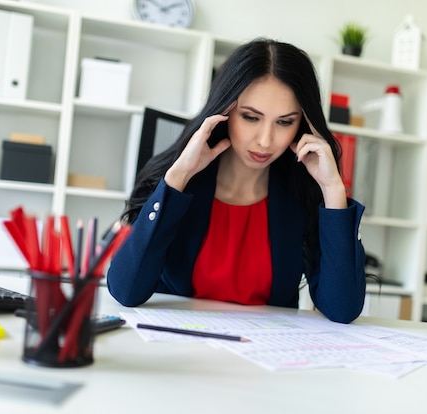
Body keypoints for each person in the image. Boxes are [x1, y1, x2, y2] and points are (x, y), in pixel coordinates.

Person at [107, 38, 366, 324]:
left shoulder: (301, 193)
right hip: (178, 351)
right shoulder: (180, 183)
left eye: (284, 122)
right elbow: (126, 290)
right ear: (225, 111)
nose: (266, 141)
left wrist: (332, 190)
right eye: (251, 117)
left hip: (266, 354)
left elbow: (343, 309)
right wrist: (179, 175)